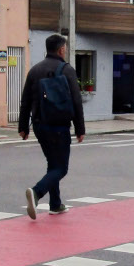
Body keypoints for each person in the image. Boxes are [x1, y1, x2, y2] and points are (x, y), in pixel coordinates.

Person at [18, 34, 85, 218]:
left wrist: (23, 126)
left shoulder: (35, 70)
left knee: (53, 164)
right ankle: (37, 192)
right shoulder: (67, 70)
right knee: (61, 168)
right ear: (61, 49)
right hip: (59, 126)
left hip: (40, 125)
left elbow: (25, 101)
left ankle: (55, 204)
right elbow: (77, 101)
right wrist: (80, 129)